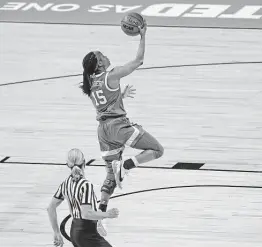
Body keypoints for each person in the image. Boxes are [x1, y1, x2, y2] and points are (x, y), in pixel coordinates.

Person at [80, 18, 164, 214]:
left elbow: (103, 102)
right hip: (118, 127)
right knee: (157, 150)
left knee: (110, 174)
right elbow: (138, 61)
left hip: (103, 132)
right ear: (100, 64)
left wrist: (120, 95)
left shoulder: (90, 83)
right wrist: (142, 36)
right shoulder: (111, 75)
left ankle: (101, 213)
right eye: (103, 56)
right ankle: (126, 164)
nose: (107, 57)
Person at [47, 148, 119, 247]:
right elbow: (86, 213)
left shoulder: (65, 183)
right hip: (86, 233)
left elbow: (50, 208)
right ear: (84, 162)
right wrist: (107, 214)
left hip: (75, 231)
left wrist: (56, 232)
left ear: (68, 164)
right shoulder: (86, 185)